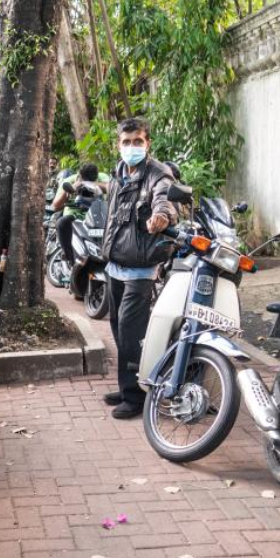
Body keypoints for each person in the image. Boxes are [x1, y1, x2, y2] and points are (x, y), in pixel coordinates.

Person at [102, 117, 178, 419]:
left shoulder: (157, 173)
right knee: (119, 328)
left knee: (132, 333)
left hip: (140, 268)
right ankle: (126, 387)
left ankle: (136, 399)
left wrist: (162, 215)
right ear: (118, 145)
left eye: (138, 142)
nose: (131, 147)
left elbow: (165, 199)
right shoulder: (118, 173)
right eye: (126, 142)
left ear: (148, 144)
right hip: (116, 265)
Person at [50, 163, 103, 264]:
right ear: (79, 176)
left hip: (95, 216)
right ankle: (69, 257)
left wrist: (93, 185)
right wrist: (72, 189)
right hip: (74, 216)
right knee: (62, 223)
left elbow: (110, 187)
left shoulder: (102, 178)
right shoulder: (69, 181)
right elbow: (55, 206)